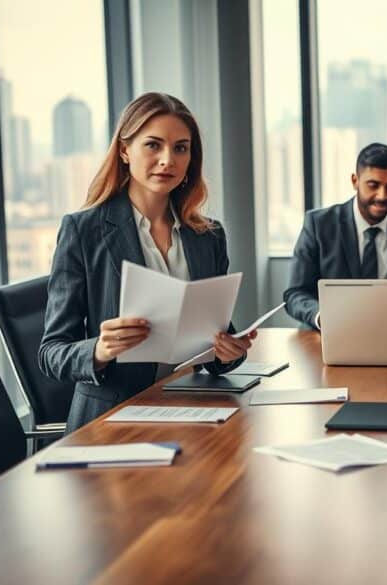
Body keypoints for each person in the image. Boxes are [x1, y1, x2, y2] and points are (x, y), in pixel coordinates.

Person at [39, 92, 255, 433]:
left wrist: (231, 352)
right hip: (113, 418)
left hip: (192, 409)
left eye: (181, 148)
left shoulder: (208, 235)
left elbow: (217, 336)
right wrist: (99, 349)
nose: (168, 159)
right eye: (153, 145)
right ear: (125, 151)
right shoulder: (83, 231)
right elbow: (52, 353)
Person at [284, 142, 387, 329]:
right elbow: (295, 293)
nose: (382, 195)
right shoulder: (319, 225)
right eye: (373, 185)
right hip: (332, 333)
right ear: (355, 181)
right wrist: (322, 316)